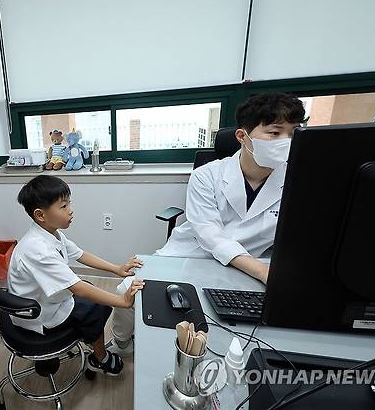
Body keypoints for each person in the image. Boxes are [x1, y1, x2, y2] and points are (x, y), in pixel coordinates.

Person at [107, 93, 306, 356]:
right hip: (191, 254)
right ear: (242, 137)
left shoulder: (298, 180)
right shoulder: (207, 175)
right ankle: (121, 344)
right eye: (274, 132)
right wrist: (260, 271)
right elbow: (208, 234)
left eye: (293, 133)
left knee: (242, 321)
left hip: (248, 262)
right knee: (127, 290)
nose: (286, 142)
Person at [8, 175, 145, 376]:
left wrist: (117, 269)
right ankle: (100, 358)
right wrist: (122, 301)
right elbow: (77, 287)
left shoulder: (50, 233)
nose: (71, 210)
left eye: (69, 203)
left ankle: (89, 339)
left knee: (92, 296)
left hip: (43, 301)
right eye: (63, 206)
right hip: (38, 315)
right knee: (98, 306)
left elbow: (80, 254)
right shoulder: (38, 249)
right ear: (40, 215)